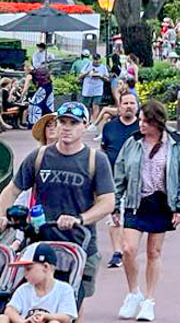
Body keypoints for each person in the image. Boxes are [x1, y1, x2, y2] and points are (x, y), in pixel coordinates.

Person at [0, 101, 116, 316]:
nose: (66, 127)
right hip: (39, 244)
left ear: (84, 125)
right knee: (28, 300)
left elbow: (108, 202)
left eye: (73, 122)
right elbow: (12, 190)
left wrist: (80, 218)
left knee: (72, 304)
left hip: (79, 244)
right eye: (62, 121)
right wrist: (2, 215)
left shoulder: (95, 160)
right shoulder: (40, 157)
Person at [114, 100, 180, 322]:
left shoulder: (173, 144)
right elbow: (120, 172)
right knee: (128, 249)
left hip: (161, 203)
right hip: (136, 202)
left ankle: (149, 300)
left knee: (153, 253)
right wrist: (115, 203)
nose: (141, 125)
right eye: (140, 120)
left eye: (145, 121)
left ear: (157, 122)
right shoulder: (133, 142)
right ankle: (133, 293)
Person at [101, 92, 140, 270]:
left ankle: (129, 247)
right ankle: (117, 251)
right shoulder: (109, 127)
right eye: (125, 103)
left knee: (131, 214)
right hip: (111, 177)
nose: (129, 106)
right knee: (113, 215)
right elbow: (104, 147)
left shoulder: (142, 127)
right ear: (119, 106)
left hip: (136, 178)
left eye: (132, 103)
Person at [1, 243, 78, 323]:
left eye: (28, 269)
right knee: (3, 318)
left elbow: (66, 317)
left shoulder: (64, 289)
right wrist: (22, 321)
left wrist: (46, 316)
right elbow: (9, 310)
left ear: (45, 267)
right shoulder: (23, 289)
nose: (25, 274)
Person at [79, 53, 109, 120]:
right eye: (95, 60)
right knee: (86, 106)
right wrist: (87, 73)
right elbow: (80, 76)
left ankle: (94, 123)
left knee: (96, 105)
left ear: (100, 60)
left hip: (98, 89)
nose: (96, 61)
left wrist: (100, 76)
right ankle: (87, 120)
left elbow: (107, 79)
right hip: (87, 89)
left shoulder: (103, 67)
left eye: (97, 60)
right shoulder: (87, 65)